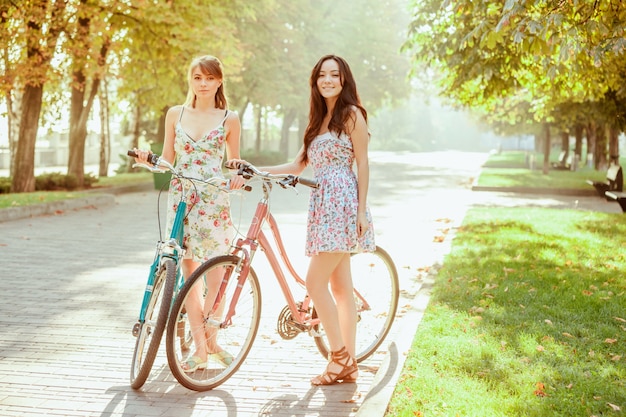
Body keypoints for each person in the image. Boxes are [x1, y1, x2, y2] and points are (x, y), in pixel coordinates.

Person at [229, 54, 375, 385]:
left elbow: (363, 164)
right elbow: (297, 166)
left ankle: (338, 357)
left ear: (344, 80)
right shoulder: (316, 121)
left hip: (342, 203)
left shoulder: (351, 114)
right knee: (340, 288)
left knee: (314, 283)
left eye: (334, 75)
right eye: (322, 75)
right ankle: (347, 364)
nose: (328, 80)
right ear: (315, 81)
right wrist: (254, 169)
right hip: (321, 203)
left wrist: (362, 209)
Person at [133, 55, 245, 372]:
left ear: (219, 81)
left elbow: (233, 161)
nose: (203, 83)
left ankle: (212, 341)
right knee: (189, 277)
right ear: (191, 80)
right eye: (197, 77)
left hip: (213, 200)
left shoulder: (230, 118)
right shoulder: (175, 114)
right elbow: (168, 157)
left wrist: (238, 176)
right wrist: (146, 159)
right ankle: (200, 348)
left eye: (209, 78)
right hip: (182, 198)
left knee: (216, 274)